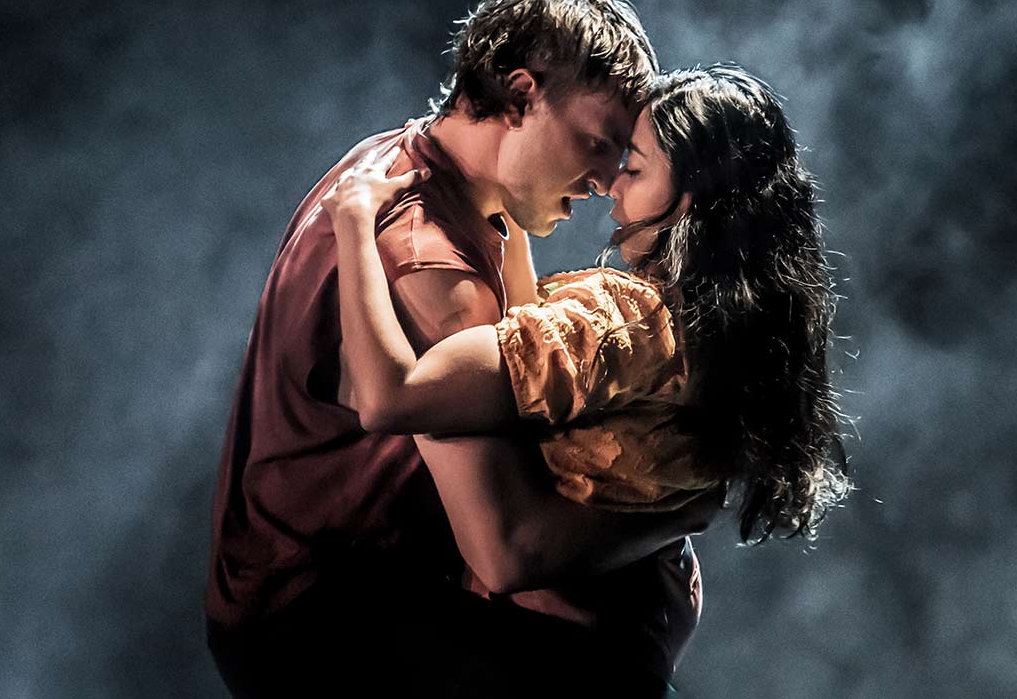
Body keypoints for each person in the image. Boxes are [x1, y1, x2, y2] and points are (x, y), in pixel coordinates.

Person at [206, 0, 716, 698]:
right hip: (326, 626)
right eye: (598, 143)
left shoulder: (388, 159)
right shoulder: (431, 264)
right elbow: (507, 549)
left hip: (310, 594)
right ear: (519, 94)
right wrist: (681, 516)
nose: (608, 180)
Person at [323, 63, 851, 678]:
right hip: (628, 642)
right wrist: (514, 199)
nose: (610, 189)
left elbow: (392, 397)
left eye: (633, 168)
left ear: (689, 201)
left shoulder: (627, 321)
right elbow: (536, 368)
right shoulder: (732, 334)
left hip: (552, 652)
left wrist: (355, 221)